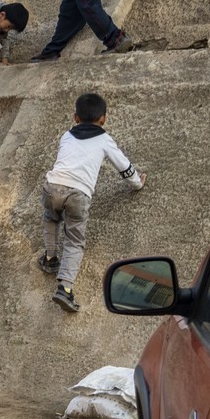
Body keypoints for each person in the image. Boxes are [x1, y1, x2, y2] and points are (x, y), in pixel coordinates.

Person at [40, 93, 145, 312]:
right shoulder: (104, 140)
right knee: (74, 240)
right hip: (78, 194)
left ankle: (50, 258)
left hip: (52, 185)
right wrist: (137, 183)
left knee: (50, 218)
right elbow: (123, 166)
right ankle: (65, 288)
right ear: (103, 119)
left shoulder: (66, 136)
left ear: (75, 117)